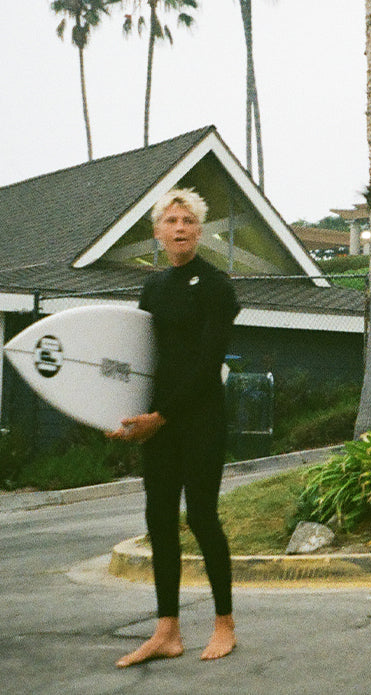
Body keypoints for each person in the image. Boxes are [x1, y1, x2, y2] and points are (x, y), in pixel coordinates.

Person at [111, 188, 240, 666]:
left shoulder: (217, 287)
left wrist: (159, 416)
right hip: (158, 421)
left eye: (188, 220)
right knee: (159, 519)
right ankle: (166, 630)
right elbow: (140, 359)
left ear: (199, 231)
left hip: (200, 417)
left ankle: (224, 623)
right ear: (157, 232)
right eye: (171, 220)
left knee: (202, 517)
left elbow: (207, 364)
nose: (180, 227)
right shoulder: (154, 288)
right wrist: (121, 415)